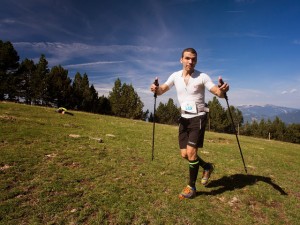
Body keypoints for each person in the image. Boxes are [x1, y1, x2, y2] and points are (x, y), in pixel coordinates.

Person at [150, 48, 229, 199]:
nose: (190, 61)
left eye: (193, 59)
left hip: (198, 117)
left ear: (196, 61)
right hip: (184, 119)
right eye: (187, 58)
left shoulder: (202, 76)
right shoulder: (175, 76)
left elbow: (217, 92)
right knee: (185, 154)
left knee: (192, 153)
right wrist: (155, 88)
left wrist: (223, 90)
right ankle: (207, 166)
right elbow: (161, 90)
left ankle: (191, 187)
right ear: (181, 60)